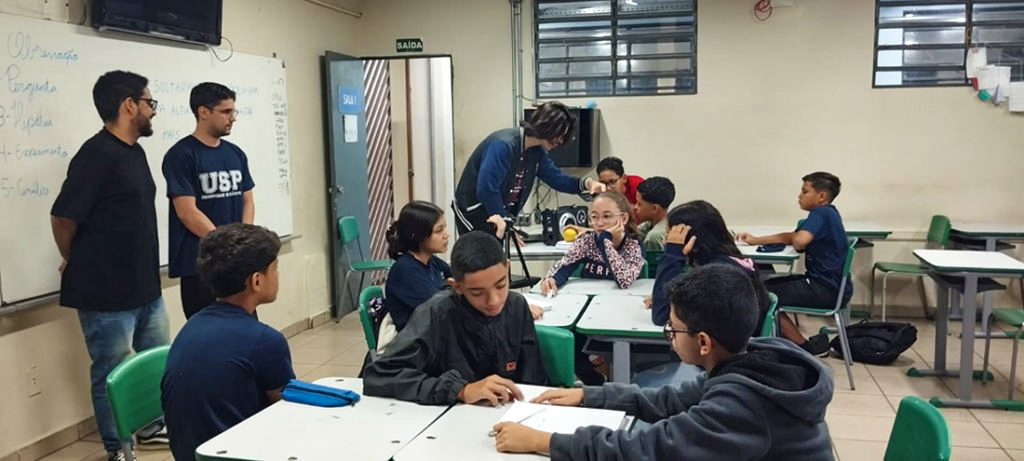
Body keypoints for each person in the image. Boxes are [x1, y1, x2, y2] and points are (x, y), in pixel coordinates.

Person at [491, 264, 835, 460]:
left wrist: (542, 441)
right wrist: (588, 396)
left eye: (673, 326)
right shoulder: (754, 359)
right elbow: (672, 400)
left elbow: (647, 450)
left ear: (703, 342)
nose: (668, 333)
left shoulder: (743, 402)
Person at [50, 70, 169, 461]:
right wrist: (73, 258)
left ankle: (151, 426)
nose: (153, 111)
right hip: (104, 291)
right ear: (129, 105)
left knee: (155, 364)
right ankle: (118, 448)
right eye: (149, 103)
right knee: (111, 375)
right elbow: (63, 217)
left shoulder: (135, 151)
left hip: (145, 286)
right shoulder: (95, 155)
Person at [363, 231, 549, 405]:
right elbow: (378, 376)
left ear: (507, 267)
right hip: (444, 421)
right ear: (456, 286)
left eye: (501, 285)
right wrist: (460, 390)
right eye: (477, 293)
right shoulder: (436, 314)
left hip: (506, 417)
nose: (493, 301)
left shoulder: (516, 306)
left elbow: (534, 379)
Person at [161, 223, 294, 461]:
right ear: (256, 280)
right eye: (275, 268)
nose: (278, 275)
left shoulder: (190, 327)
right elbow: (290, 408)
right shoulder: (266, 341)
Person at [162, 82, 255, 318]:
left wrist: (243, 242)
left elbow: (247, 201)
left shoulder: (235, 153)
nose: (232, 118)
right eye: (225, 112)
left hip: (235, 263)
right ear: (203, 112)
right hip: (201, 266)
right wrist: (225, 245)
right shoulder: (181, 155)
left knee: (244, 328)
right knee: (207, 334)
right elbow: (187, 212)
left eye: (233, 111)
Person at [735, 171, 850, 355]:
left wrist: (797, 238)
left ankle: (803, 348)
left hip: (824, 289)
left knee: (761, 295)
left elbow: (799, 241)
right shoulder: (829, 213)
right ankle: (783, 343)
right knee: (760, 288)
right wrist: (757, 240)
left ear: (821, 196)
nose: (799, 196)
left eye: (805, 192)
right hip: (830, 286)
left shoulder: (820, 213)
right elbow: (791, 237)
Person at [452, 101, 605, 239]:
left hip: (496, 215)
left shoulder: (537, 151)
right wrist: (506, 226)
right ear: (548, 126)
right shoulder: (504, 145)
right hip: (473, 211)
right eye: (560, 133)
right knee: (481, 264)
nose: (560, 141)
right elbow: (487, 189)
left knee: (499, 265)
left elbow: (557, 179)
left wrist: (587, 183)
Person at [649, 200, 770, 338]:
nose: (666, 242)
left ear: (692, 241)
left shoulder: (717, 274)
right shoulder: (727, 261)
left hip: (719, 354)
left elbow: (661, 315)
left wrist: (673, 254)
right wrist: (670, 296)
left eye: (671, 237)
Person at [539, 191, 645, 295]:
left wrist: (604, 241)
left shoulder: (634, 245)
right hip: (588, 298)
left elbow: (625, 281)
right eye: (594, 217)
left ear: (624, 218)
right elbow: (563, 267)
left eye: (607, 216)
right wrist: (551, 280)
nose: (599, 223)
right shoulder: (587, 241)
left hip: (621, 301)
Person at [384, 201, 452, 332]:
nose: (446, 234)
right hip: (417, 344)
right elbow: (438, 310)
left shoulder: (432, 261)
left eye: (445, 227)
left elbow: (458, 281)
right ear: (418, 236)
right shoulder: (405, 271)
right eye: (439, 230)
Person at [633, 176, 675, 251]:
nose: (635, 207)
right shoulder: (650, 224)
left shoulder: (654, 237)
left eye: (639, 204)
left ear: (654, 208)